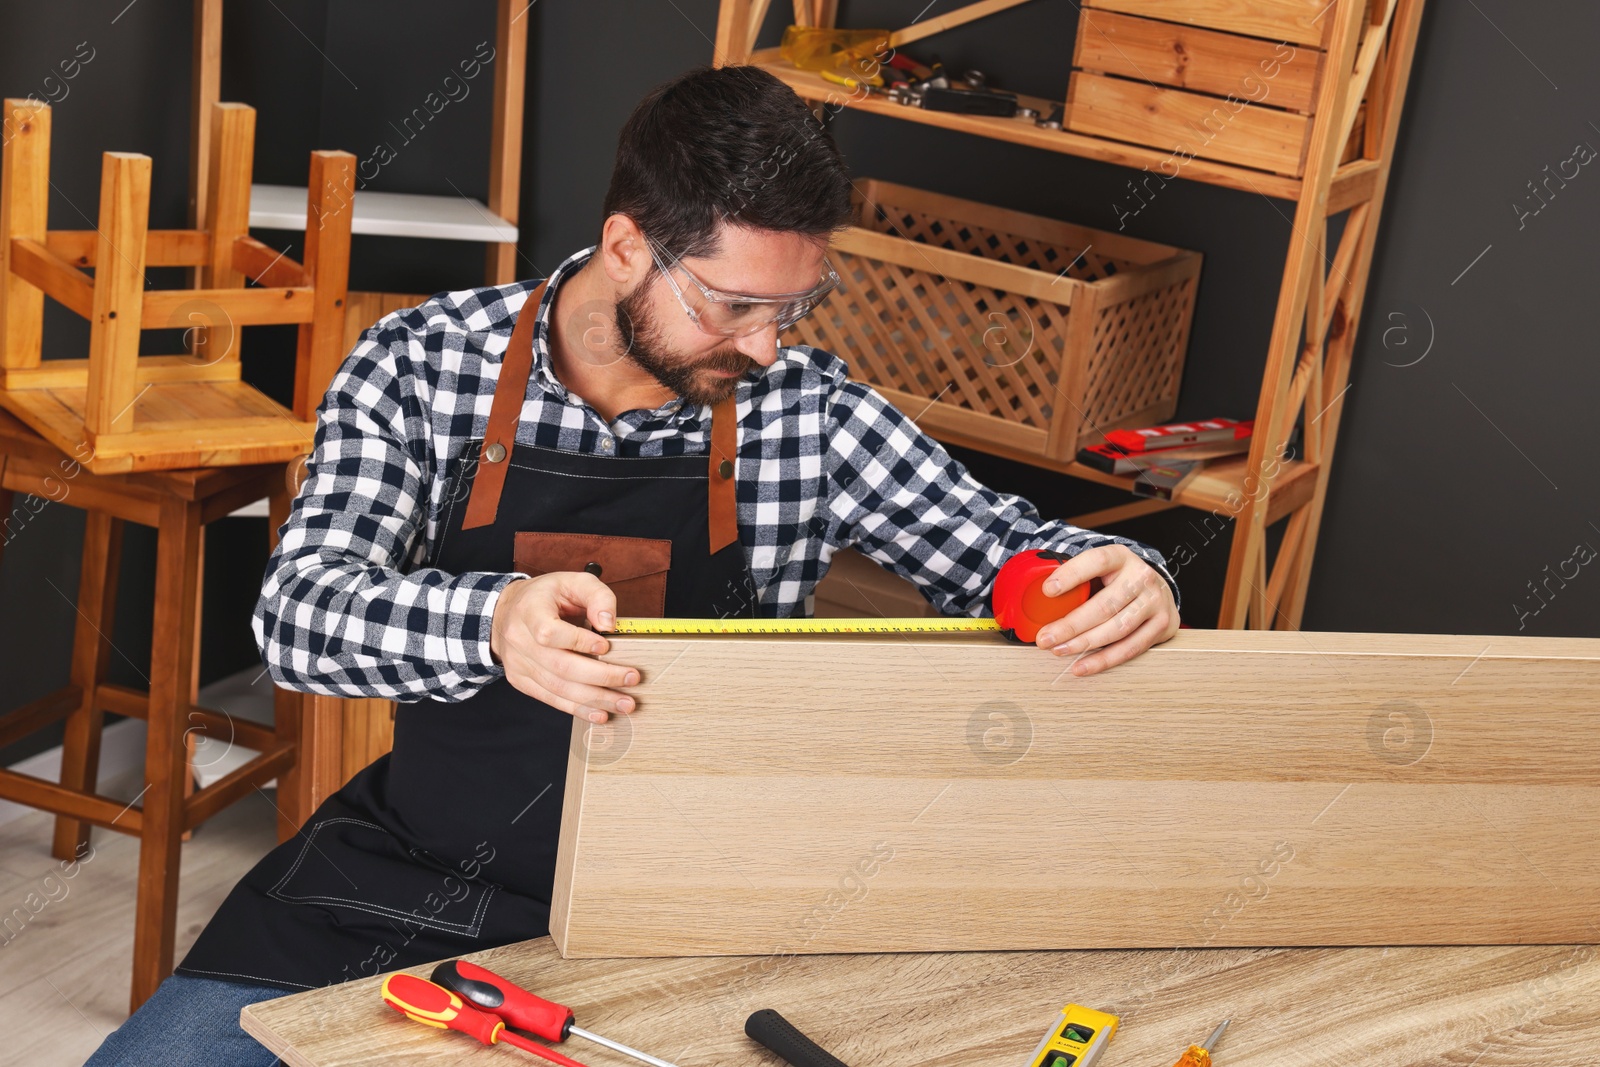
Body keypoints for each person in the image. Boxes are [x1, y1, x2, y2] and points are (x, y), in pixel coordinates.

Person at [87, 64, 1180, 1065]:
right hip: (413, 875)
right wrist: (494, 622)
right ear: (625, 248)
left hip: (699, 901)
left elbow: (1010, 553)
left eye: (796, 305)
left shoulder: (811, 411)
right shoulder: (422, 364)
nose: (764, 345)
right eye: (733, 304)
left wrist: (1113, 575)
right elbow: (299, 616)